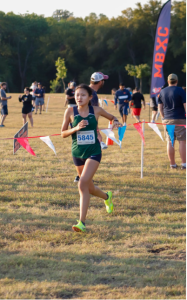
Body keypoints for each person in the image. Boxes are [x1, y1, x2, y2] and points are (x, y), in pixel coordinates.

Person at [61, 84, 122, 232]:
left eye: (82, 95)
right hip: (77, 154)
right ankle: (107, 197)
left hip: (94, 152)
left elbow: (112, 117)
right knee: (89, 187)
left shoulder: (96, 110)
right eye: (77, 95)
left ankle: (81, 222)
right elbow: (62, 133)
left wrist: (115, 121)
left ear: (89, 97)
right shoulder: (70, 111)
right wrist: (76, 128)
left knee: (82, 184)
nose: (79, 98)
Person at [74, 72, 109, 183]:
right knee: (89, 151)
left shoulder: (88, 91)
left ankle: (81, 176)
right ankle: (82, 177)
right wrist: (97, 131)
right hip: (87, 129)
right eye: (103, 80)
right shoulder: (92, 95)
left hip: (82, 128)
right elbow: (91, 115)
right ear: (100, 82)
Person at [158, 73, 186, 169]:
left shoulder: (162, 91)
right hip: (180, 119)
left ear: (168, 81)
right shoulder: (181, 90)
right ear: (177, 81)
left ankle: (172, 164)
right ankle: (184, 164)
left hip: (167, 120)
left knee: (170, 142)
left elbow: (160, 108)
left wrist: (163, 118)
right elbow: (185, 105)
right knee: (182, 141)